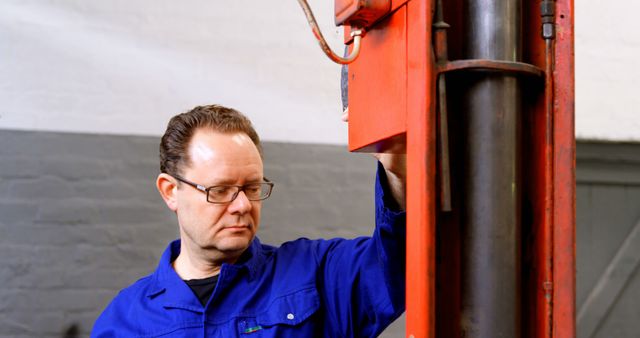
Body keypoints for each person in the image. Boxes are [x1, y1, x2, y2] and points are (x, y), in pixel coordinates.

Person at [91, 104, 406, 337]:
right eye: (221, 190)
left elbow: (400, 261)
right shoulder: (125, 321)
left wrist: (400, 171)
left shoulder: (316, 275)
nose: (242, 205)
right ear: (171, 191)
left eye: (252, 188)